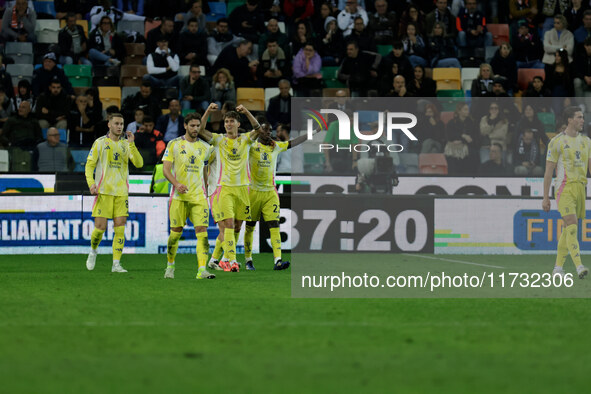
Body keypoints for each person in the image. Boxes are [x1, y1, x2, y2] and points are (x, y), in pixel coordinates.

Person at [198, 103, 263, 272]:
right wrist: (207, 112)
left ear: (238, 124)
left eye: (232, 121)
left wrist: (247, 111)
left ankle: (220, 258)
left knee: (236, 227)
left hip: (242, 188)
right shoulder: (219, 140)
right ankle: (231, 261)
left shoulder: (246, 139)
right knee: (227, 223)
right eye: (226, 121)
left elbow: (258, 129)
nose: (228, 124)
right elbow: (200, 130)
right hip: (224, 188)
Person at [243, 121, 309, 270]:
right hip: (252, 192)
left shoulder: (275, 146)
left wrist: (314, 132)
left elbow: (293, 142)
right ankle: (248, 260)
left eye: (270, 131)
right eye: (265, 130)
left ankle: (278, 260)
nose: (269, 133)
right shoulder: (252, 146)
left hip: (270, 193)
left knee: (274, 224)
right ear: (259, 132)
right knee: (250, 226)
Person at [85, 113, 144, 273]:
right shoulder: (100, 143)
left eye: (122, 124)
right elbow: (89, 166)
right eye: (116, 123)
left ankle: (116, 264)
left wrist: (132, 144)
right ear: (109, 125)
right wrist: (92, 184)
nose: (119, 126)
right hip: (103, 192)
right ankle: (93, 250)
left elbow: (139, 164)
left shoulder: (126, 144)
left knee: (120, 227)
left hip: (121, 193)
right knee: (100, 228)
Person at [161, 112, 215, 279]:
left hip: (199, 197)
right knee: (175, 234)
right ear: (185, 126)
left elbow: (206, 169)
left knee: (202, 232)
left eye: (198, 126)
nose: (195, 129)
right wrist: (176, 184)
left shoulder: (206, 148)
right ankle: (170, 266)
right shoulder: (174, 144)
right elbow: (166, 169)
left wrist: (208, 187)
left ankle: (202, 270)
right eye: (192, 125)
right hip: (179, 197)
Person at [543, 106, 590, 279]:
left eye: (582, 117)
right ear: (569, 120)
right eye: (579, 117)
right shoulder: (556, 142)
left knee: (568, 229)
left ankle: (558, 268)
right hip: (564, 189)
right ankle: (579, 266)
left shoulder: (586, 141)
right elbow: (548, 172)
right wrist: (545, 197)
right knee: (571, 225)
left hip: (580, 189)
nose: (582, 120)